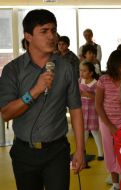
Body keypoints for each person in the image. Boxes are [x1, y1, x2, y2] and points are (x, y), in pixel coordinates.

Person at [0, 9, 84, 190]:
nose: (51, 36)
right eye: (44, 31)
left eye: (53, 30)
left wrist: (80, 149)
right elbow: (6, 114)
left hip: (57, 151)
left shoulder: (66, 68)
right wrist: (35, 90)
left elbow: (76, 109)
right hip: (24, 152)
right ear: (28, 36)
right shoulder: (12, 70)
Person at [95, 50, 121, 190]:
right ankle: (115, 184)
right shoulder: (103, 80)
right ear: (115, 64)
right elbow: (98, 105)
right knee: (109, 152)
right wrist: (109, 125)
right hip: (105, 122)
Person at [79, 61, 103, 161]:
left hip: (92, 109)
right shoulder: (80, 81)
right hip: (83, 108)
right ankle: (82, 151)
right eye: (81, 70)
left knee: (95, 131)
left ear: (91, 73)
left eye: (84, 71)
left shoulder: (96, 83)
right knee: (83, 130)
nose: (81, 73)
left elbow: (99, 97)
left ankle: (101, 153)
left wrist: (86, 94)